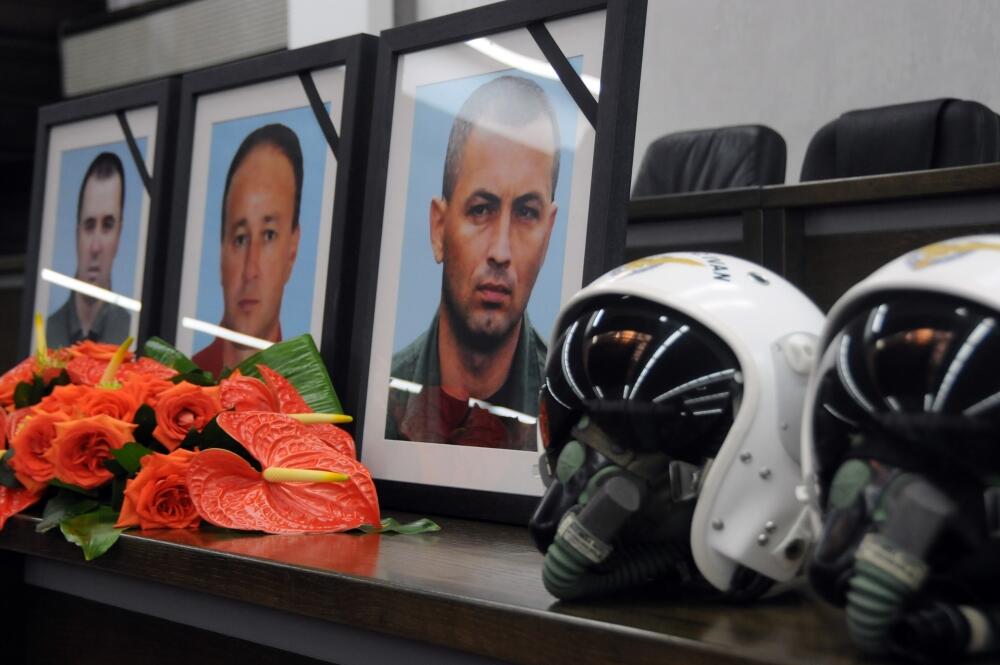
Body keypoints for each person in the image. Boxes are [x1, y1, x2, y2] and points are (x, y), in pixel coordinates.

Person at [386, 75, 561, 450]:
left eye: (526, 213)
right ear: (439, 229)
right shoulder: (378, 409)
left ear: (547, 235)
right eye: (481, 209)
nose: (501, 251)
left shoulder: (568, 422)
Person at [192, 123, 302, 375]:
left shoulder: (304, 395)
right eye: (240, 239)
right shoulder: (179, 385)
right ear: (222, 251)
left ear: (292, 249)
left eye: (269, 235)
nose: (250, 270)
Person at [46, 151, 131, 348]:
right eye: (89, 225)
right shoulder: (49, 330)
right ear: (77, 232)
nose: (95, 247)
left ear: (119, 234)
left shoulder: (129, 330)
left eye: (107, 225)